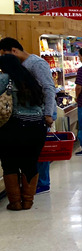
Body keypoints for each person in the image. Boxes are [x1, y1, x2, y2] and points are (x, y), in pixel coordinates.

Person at [0, 37, 57, 195]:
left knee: (37, 154)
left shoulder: (36, 64)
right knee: (31, 156)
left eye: (6, 54)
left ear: (14, 50)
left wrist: (48, 113)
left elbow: (48, 88)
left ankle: (42, 183)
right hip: (30, 117)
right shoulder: (21, 66)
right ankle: (29, 190)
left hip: (41, 113)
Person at [0, 54, 47, 210]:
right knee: (30, 163)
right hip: (37, 127)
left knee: (10, 164)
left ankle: (15, 203)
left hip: (14, 127)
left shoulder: (4, 78)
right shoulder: (30, 78)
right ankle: (28, 201)